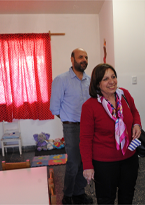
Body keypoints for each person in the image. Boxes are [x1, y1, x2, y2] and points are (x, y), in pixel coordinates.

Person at [80, 64, 142, 204]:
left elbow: (134, 111)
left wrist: (137, 124)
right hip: (104, 164)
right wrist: (88, 166)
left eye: (113, 77)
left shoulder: (124, 95)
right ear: (97, 83)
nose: (111, 81)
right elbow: (85, 139)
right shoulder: (89, 106)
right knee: (106, 199)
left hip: (129, 157)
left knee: (127, 196)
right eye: (106, 78)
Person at [50, 48, 93, 204]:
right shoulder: (61, 80)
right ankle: (67, 195)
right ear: (72, 59)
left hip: (89, 128)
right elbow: (54, 107)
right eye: (81, 57)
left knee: (85, 161)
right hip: (72, 127)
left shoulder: (90, 81)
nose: (84, 60)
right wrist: (68, 120)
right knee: (74, 162)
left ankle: (79, 192)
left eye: (86, 57)